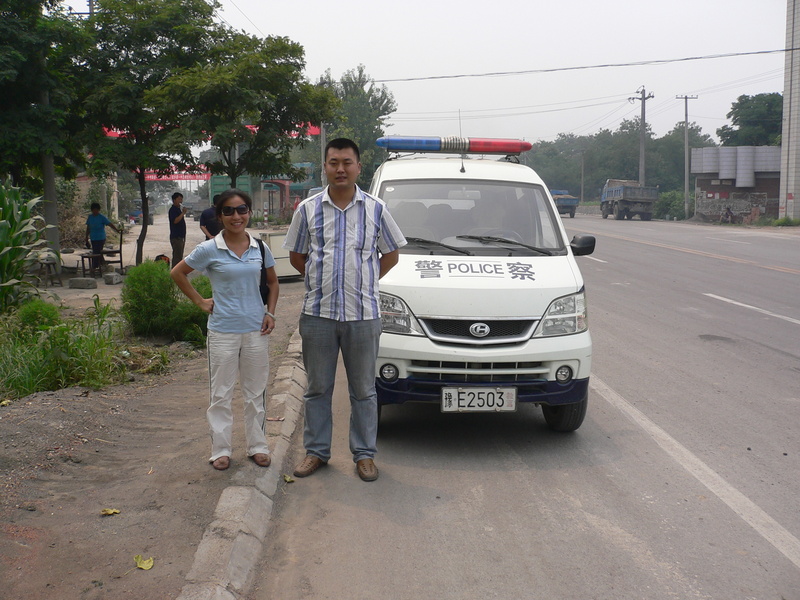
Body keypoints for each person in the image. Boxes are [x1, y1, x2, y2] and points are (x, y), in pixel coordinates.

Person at [283, 138, 406, 482]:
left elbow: (391, 254)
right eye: (333, 162)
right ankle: (317, 452)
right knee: (317, 388)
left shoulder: (376, 209)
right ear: (325, 166)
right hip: (318, 315)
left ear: (358, 167)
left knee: (364, 390)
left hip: (363, 315)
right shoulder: (307, 209)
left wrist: (365, 281)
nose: (340, 168)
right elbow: (297, 256)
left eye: (346, 162)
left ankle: (364, 455)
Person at [170, 189, 280, 471]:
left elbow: (273, 282)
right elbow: (177, 273)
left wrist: (270, 312)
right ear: (220, 216)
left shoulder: (260, 247)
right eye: (229, 211)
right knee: (221, 393)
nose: (236, 216)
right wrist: (200, 301)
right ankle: (221, 449)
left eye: (242, 210)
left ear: (249, 212)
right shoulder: (209, 249)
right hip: (223, 332)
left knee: (256, 392)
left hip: (256, 330)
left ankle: (257, 446)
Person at [85, 202, 120, 270]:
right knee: (96, 252)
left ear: (98, 210)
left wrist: (116, 229)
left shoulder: (102, 217)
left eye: (96, 210)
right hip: (93, 238)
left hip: (101, 238)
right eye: (94, 210)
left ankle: (95, 266)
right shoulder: (90, 217)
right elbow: (88, 228)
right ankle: (103, 264)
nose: (95, 211)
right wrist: (86, 237)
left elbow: (109, 224)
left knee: (96, 252)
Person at [168, 192, 188, 267]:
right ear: (174, 200)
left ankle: (178, 272)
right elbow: (175, 221)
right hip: (176, 237)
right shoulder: (172, 210)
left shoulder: (178, 209)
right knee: (177, 257)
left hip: (180, 237)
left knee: (179, 256)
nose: (181, 201)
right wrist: (183, 213)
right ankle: (175, 273)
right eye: (179, 199)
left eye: (181, 199)